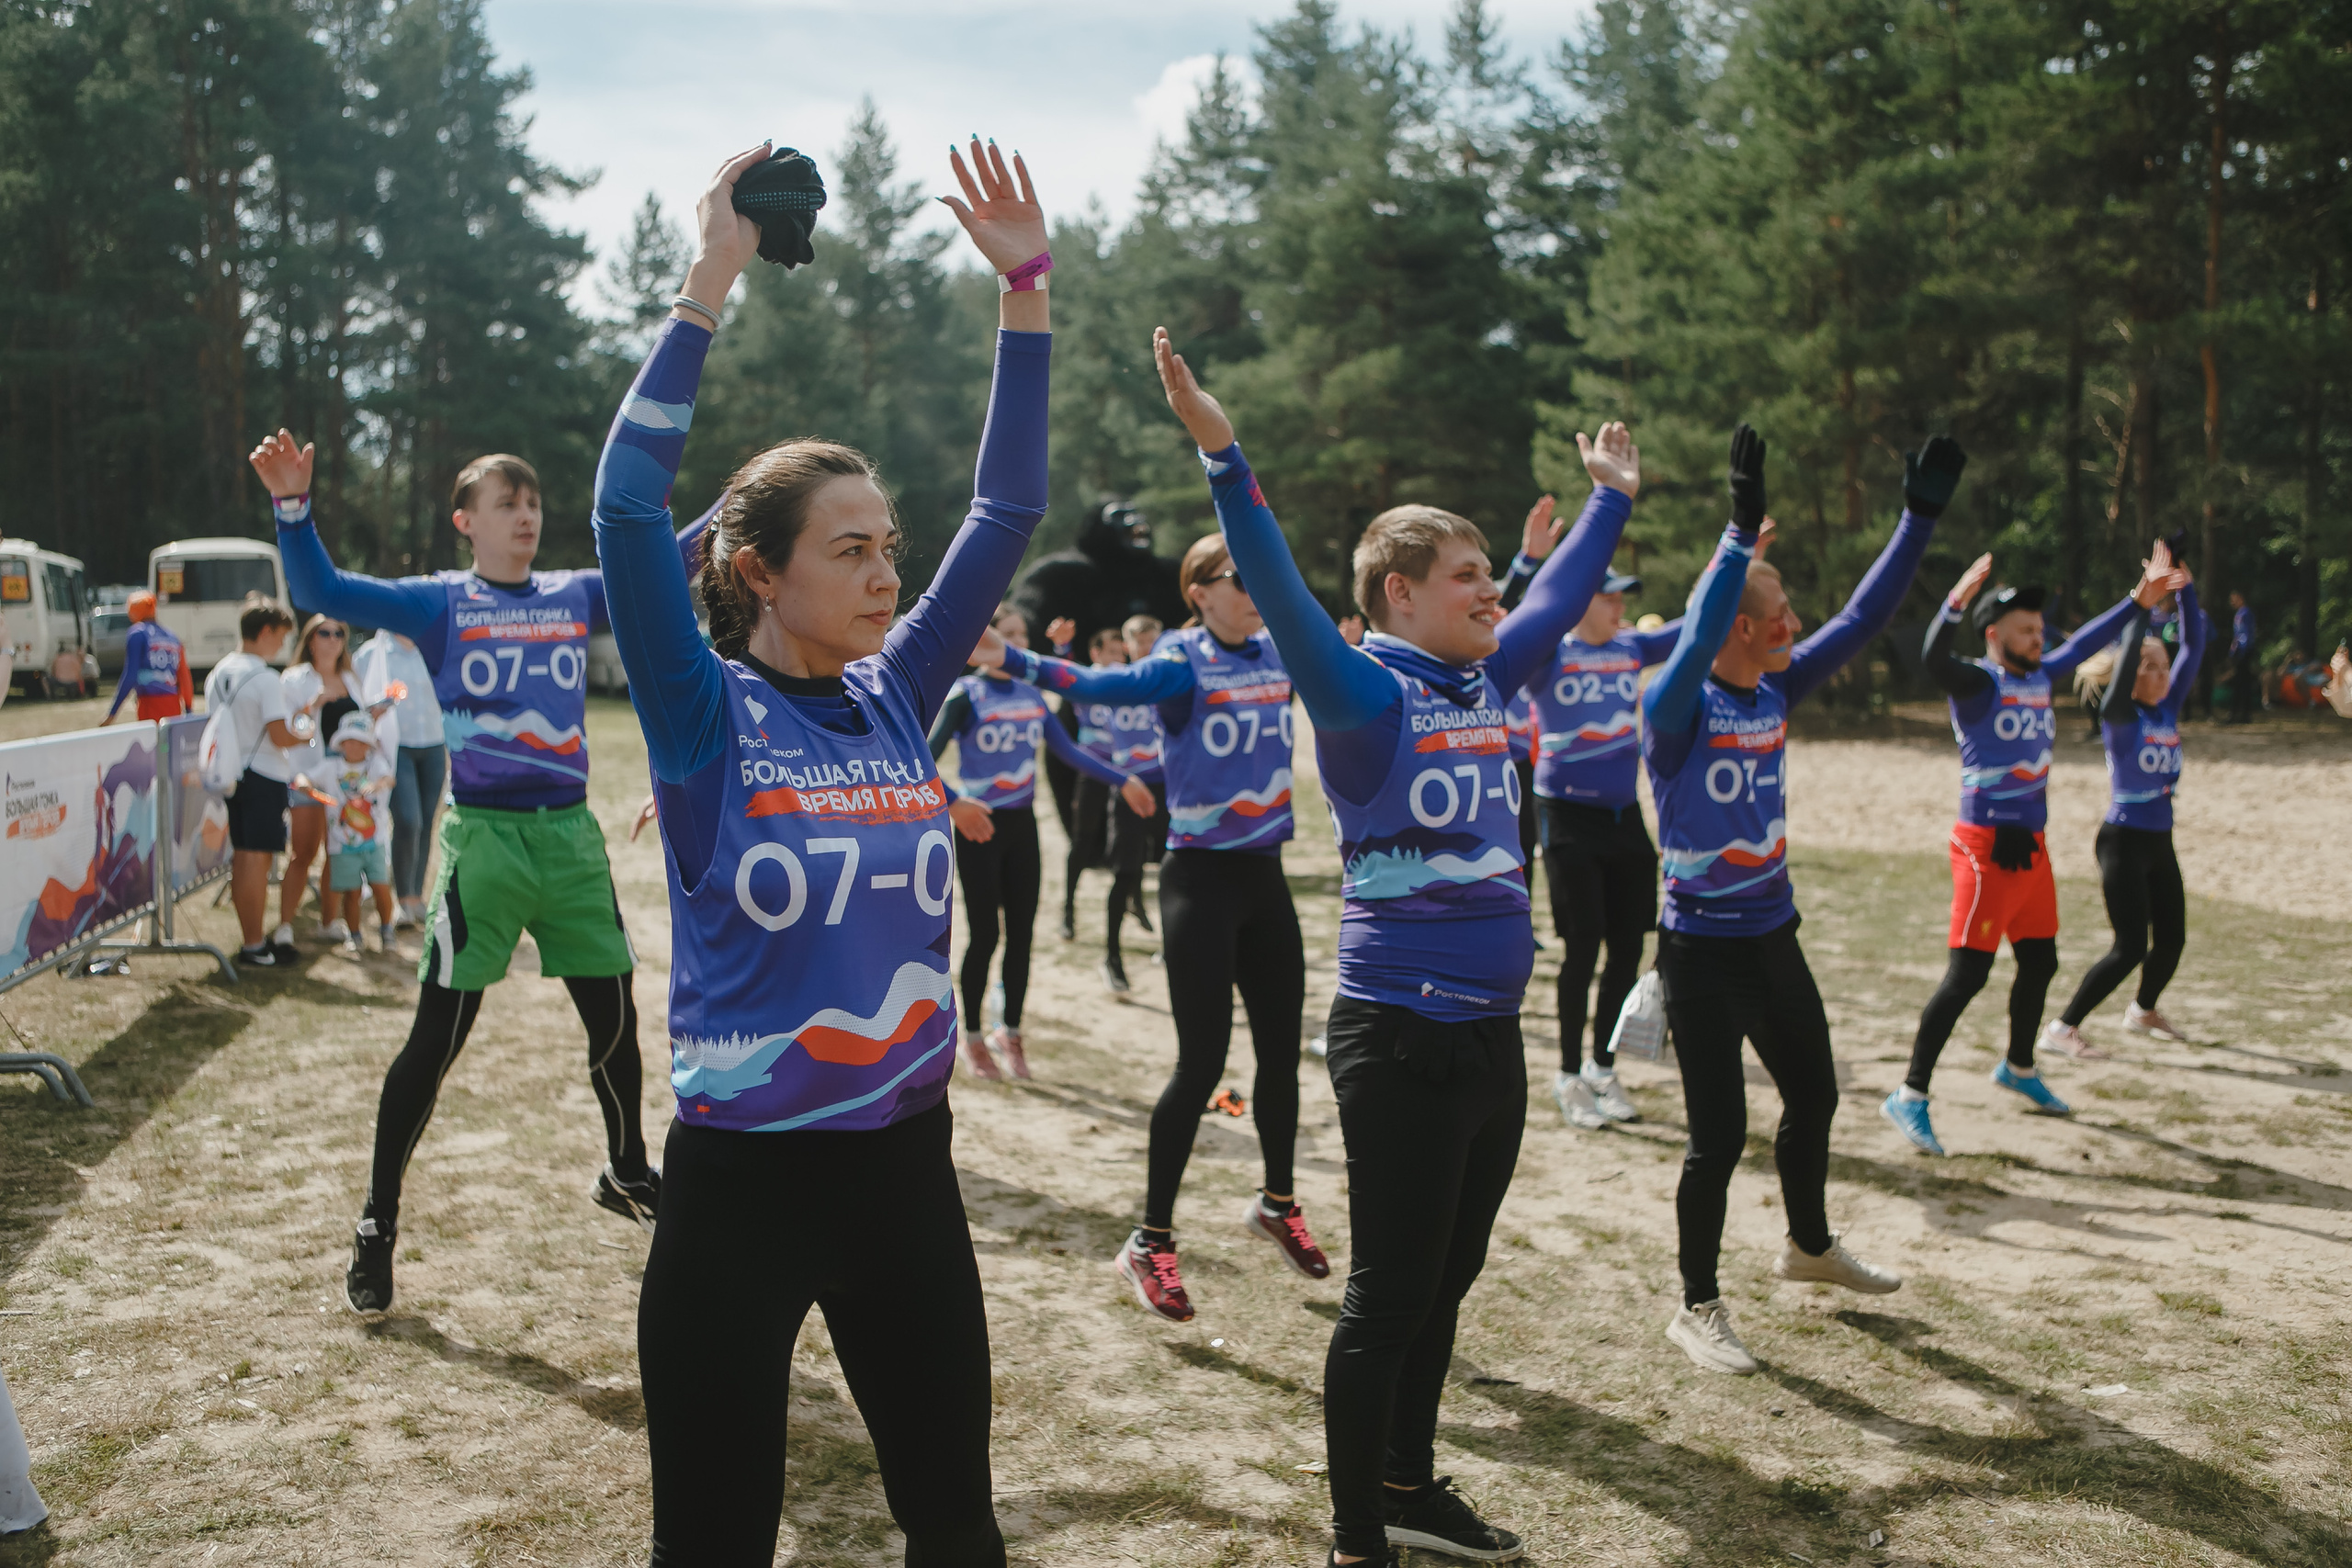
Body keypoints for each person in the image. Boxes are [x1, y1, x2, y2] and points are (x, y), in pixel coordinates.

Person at [594, 133, 1049, 1567]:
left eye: (887, 545)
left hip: (906, 1174)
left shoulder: (893, 693)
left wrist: (1025, 296)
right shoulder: (701, 714)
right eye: (847, 548)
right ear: (756, 572)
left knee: (958, 1529)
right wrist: (711, 273)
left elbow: (1008, 511)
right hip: (739, 1192)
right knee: (715, 1543)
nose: (885, 572)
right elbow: (620, 509)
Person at [1148, 325, 1635, 1567]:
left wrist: (1608, 502)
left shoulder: (1489, 681)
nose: (1493, 591)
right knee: (1386, 1298)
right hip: (1401, 1036)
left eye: (1491, 572)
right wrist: (1223, 452)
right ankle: (1358, 1535)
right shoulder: (1369, 694)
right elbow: (1279, 576)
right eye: (1469, 573)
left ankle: (1410, 1483)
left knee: (1448, 1281)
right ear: (1399, 594)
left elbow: (1566, 595)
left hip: (1486, 1038)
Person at [251, 438, 696, 1313]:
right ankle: (378, 1221)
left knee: (615, 1023)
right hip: (483, 846)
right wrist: (295, 511)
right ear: (467, 523)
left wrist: (735, 496)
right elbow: (325, 595)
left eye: (533, 500)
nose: (527, 514)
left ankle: (627, 1167)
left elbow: (665, 559)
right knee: (436, 1043)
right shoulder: (440, 602)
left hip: (569, 841)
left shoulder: (575, 593)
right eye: (507, 501)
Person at [1646, 424, 1963, 1379]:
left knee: (1815, 1095)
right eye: (1780, 613)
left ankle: (1808, 1247)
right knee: (1713, 1138)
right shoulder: (1678, 711)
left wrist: (1917, 519)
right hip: (1697, 953)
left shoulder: (1776, 694)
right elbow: (1697, 632)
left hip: (1772, 937)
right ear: (1742, 628)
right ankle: (1696, 1305)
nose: (1796, 625)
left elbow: (1865, 620)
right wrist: (1737, 537)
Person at [985, 509, 1325, 1323]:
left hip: (1266, 880)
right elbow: (1104, 686)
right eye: (1243, 578)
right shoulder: (1183, 662)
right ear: (1202, 592)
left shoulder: (1280, 653)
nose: (1260, 590)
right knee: (1200, 1065)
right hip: (1201, 885)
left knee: (1280, 1059)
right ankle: (1151, 1241)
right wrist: (1020, 659)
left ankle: (1278, 1200)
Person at [1884, 550, 2180, 1153]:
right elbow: (1932, 657)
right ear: (1994, 635)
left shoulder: (2041, 675)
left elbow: (2094, 636)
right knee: (1967, 974)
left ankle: (2019, 1066)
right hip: (1984, 848)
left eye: (2040, 629)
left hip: (2034, 849)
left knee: (2041, 961)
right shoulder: (1977, 681)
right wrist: (1956, 599)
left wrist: (2138, 602)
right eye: (2024, 629)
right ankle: (1910, 1093)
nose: (2037, 637)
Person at [1511, 510, 1684, 1131]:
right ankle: (1566, 1073)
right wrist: (1532, 565)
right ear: (1582, 599)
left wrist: (1734, 561)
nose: (1618, 606)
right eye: (1608, 595)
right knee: (1581, 947)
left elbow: (1696, 630)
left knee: (1628, 946)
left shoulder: (1631, 647)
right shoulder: (1548, 657)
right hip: (1566, 816)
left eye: (1621, 597)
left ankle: (1602, 1067)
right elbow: (1515, 622)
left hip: (1624, 818)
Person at [930, 604, 1153, 1081]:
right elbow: (920, 759)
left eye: (1021, 636)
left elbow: (1068, 750)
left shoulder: (1032, 694)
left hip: (1023, 828)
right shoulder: (965, 696)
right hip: (979, 829)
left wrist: (1123, 780)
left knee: (1023, 937)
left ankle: (1009, 1031)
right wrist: (954, 803)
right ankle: (971, 1037)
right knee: (985, 935)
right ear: (982, 645)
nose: (1016, 644)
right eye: (1006, 635)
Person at [2046, 543, 2207, 1055]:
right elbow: (2135, 653)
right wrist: (2141, 609)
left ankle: (2142, 1011)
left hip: (2160, 840)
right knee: (2130, 946)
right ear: (2131, 675)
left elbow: (2194, 647)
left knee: (2174, 939)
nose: (2163, 675)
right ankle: (2062, 1028)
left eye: (2164, 667)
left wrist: (2183, 588)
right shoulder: (2120, 718)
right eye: (2151, 667)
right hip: (2122, 842)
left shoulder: (2167, 709)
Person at [1013, 501, 1188, 837]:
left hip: (1151, 694)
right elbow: (1028, 617)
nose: (1136, 526)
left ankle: (1159, 841)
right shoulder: (1063, 573)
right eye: (1123, 519)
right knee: (1080, 771)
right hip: (1082, 690)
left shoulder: (1168, 575)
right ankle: (1088, 844)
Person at [202, 595, 312, 969]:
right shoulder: (264, 677)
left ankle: (251, 939)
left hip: (231, 774)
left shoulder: (217, 671)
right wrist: (306, 733)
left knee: (244, 857)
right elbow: (281, 736)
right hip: (262, 774)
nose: (282, 645)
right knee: (255, 860)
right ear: (265, 632)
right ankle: (252, 943)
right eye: (280, 637)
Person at [277, 614, 363, 948]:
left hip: (345, 782)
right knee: (303, 852)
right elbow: (289, 729)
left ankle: (329, 922)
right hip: (308, 776)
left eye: (339, 633)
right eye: (324, 633)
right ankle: (284, 926)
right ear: (310, 640)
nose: (332, 639)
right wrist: (314, 705)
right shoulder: (294, 679)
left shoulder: (351, 679)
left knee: (337, 852)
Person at [356, 627, 447, 928]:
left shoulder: (434, 647)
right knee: (409, 820)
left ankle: (415, 898)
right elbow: (358, 700)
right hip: (396, 749)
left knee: (426, 821)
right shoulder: (373, 652)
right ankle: (401, 896)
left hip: (434, 744)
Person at [1055, 622, 1136, 938]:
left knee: (1132, 840)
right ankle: (1068, 908)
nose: (1118, 658)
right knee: (1083, 837)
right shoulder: (1086, 683)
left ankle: (1134, 900)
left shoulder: (1130, 683)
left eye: (1121, 652)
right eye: (1110, 652)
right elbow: (1062, 674)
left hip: (1126, 772)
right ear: (1095, 654)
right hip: (1092, 769)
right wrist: (1062, 648)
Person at [305, 710, 398, 953]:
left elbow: (389, 779)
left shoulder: (375, 764)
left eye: (361, 741)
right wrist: (303, 783)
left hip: (373, 842)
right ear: (341, 742)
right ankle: (354, 934)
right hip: (342, 844)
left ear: (369, 745)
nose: (355, 746)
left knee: (380, 886)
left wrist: (375, 785)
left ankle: (387, 929)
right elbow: (305, 777)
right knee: (352, 891)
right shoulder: (330, 766)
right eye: (350, 740)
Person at [100, 590, 192, 724]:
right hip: (173, 705)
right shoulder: (173, 637)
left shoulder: (137, 633)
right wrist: (189, 709)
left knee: (152, 744)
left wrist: (112, 713)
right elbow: (184, 676)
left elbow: (130, 675)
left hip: (149, 703)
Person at [2225, 590, 2257, 723]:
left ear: (2241, 598)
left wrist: (2239, 653)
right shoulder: (2240, 614)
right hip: (2241, 652)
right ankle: (2240, 714)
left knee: (2241, 683)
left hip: (2243, 653)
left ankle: (2239, 714)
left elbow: (2245, 636)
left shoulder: (2244, 614)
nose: (2232, 602)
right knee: (2241, 683)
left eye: (2235, 598)